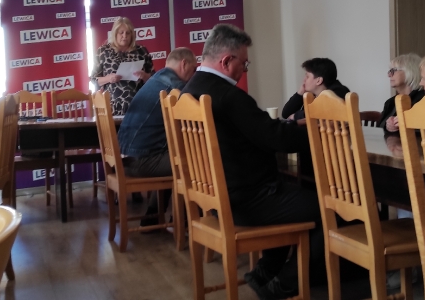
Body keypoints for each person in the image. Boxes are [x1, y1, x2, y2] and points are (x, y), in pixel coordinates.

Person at [182, 24, 321, 299]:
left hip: (218, 201)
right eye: (243, 64)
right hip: (247, 202)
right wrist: (319, 131)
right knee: (326, 208)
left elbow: (257, 130)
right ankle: (284, 283)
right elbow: (277, 139)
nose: (244, 70)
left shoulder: (190, 89)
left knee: (290, 194)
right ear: (226, 61)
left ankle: (264, 273)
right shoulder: (228, 96)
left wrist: (284, 126)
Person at [116, 47, 198, 227]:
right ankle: (185, 219)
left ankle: (152, 216)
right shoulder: (175, 88)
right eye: (194, 69)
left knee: (173, 153)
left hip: (122, 161)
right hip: (140, 162)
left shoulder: (154, 80)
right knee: (195, 162)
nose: (194, 75)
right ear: (184, 64)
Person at [90, 17, 154, 115]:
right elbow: (94, 79)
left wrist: (144, 76)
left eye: (128, 33)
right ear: (115, 33)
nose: (125, 36)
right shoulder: (103, 51)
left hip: (139, 104)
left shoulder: (141, 51)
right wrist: (108, 78)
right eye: (121, 33)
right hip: (112, 106)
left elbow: (154, 78)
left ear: (132, 34)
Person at [281, 57, 350, 121]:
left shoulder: (339, 92)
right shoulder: (313, 95)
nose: (304, 80)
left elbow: (319, 110)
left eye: (307, 76)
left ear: (318, 81)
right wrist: (300, 92)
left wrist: (295, 116)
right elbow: (286, 114)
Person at [380, 53, 425, 133]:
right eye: (390, 71)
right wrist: (388, 125)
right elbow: (380, 127)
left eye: (394, 70)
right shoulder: (390, 102)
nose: (389, 75)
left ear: (411, 71)